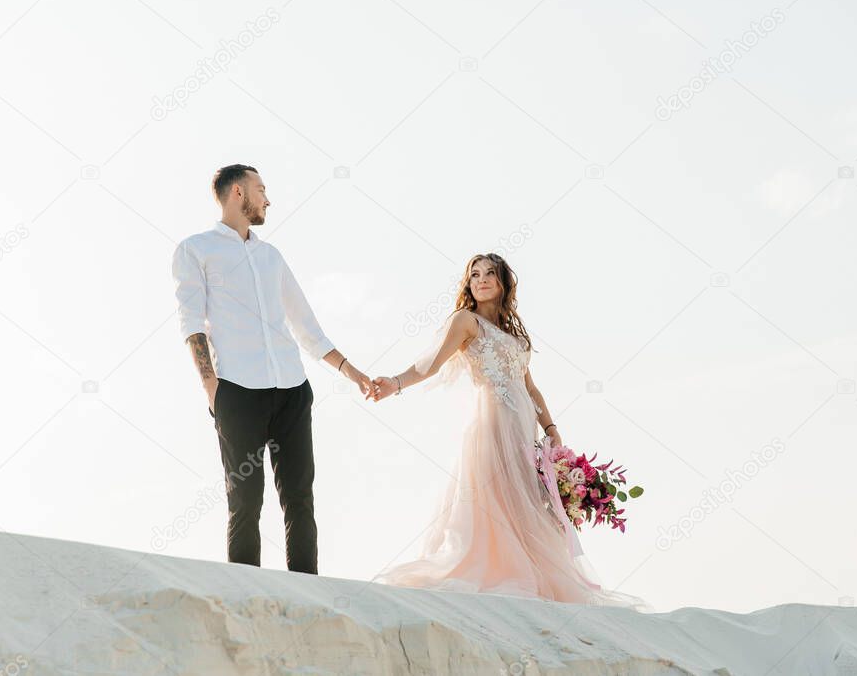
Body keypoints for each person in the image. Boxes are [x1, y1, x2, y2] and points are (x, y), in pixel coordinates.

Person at [368, 253, 650, 609]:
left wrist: (551, 429)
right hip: (492, 423)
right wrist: (395, 383)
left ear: (503, 283)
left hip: (523, 430)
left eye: (489, 274)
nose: (481, 279)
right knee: (494, 498)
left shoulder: (514, 335)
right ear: (468, 284)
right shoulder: (466, 321)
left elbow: (531, 388)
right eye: (474, 275)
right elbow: (431, 365)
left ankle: (532, 574)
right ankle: (495, 573)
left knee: (526, 501)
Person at [171, 164, 372, 574]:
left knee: (300, 498)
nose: (268, 199)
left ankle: (307, 591)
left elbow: (306, 326)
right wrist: (211, 386)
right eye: (261, 189)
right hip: (237, 392)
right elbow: (191, 323)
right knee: (245, 501)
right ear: (238, 193)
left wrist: (353, 373)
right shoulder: (196, 249)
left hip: (292, 389)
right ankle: (246, 592)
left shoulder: (271, 256)